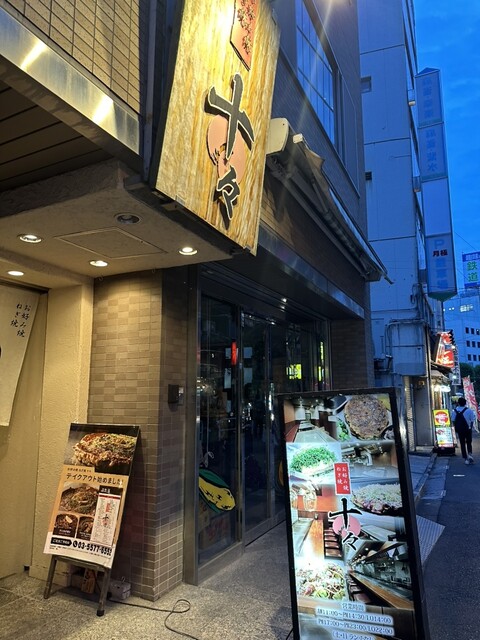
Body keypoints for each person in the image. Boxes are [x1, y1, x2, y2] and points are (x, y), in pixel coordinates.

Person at [452, 397, 476, 464]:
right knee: (469, 442)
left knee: (462, 443)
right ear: (465, 403)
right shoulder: (469, 411)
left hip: (460, 430)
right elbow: (472, 420)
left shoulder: (454, 411)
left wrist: (456, 428)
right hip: (468, 429)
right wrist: (470, 428)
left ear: (458, 403)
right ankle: (470, 455)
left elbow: (453, 420)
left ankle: (465, 458)